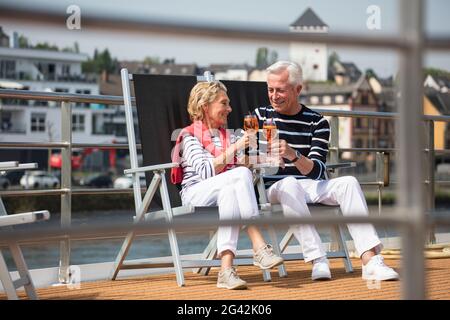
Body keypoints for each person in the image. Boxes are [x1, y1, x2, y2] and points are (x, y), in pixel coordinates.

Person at [252, 60, 399, 281]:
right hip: (273, 186)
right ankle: (318, 259)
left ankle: (371, 260)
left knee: (348, 182)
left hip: (308, 183)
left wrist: (293, 155)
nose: (274, 96)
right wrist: (262, 158)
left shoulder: (317, 122)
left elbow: (317, 171)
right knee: (290, 184)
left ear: (298, 89)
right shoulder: (259, 116)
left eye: (280, 90)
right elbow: (245, 156)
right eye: (270, 90)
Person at [171, 81, 284, 290]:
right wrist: (237, 146)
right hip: (195, 192)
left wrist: (267, 159)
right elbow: (205, 172)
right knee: (237, 176)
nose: (230, 109)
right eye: (224, 103)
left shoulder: (227, 136)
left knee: (231, 191)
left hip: (222, 190)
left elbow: (242, 167)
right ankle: (258, 245)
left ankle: (226, 270)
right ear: (205, 106)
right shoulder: (189, 136)